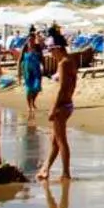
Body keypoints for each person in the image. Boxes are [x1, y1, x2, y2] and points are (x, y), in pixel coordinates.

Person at [37, 39, 79, 181]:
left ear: (58, 48)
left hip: (61, 105)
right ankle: (45, 169)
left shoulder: (63, 63)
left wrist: (54, 108)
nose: (50, 53)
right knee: (54, 141)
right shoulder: (71, 61)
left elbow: (62, 88)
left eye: (51, 50)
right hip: (66, 104)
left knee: (61, 141)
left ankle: (66, 173)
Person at [19, 34, 45, 121]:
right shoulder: (25, 47)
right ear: (27, 40)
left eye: (32, 40)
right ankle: (29, 106)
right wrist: (19, 74)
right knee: (29, 89)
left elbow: (42, 58)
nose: (31, 41)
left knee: (37, 87)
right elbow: (20, 60)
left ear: (34, 40)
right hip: (27, 71)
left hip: (36, 70)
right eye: (29, 40)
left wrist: (43, 67)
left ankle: (33, 102)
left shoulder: (38, 47)